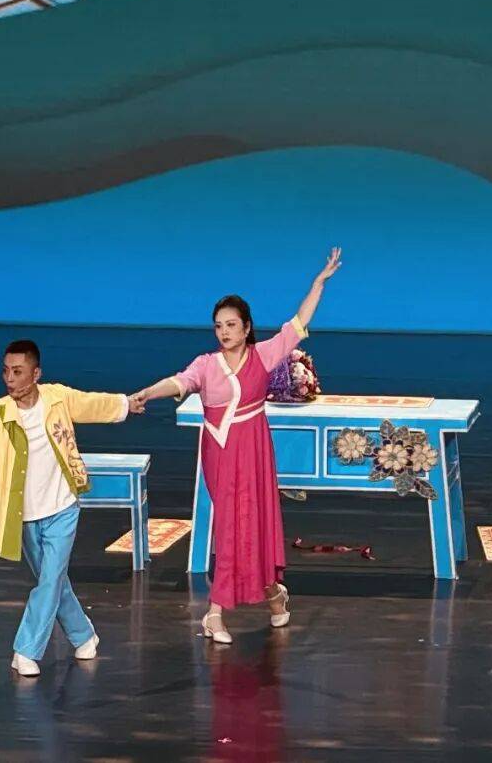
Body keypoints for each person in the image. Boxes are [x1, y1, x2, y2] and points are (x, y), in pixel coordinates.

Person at [130, 248, 342, 643]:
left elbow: (298, 323)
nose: (224, 332)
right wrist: (147, 393)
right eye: (218, 326)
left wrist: (319, 283)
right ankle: (215, 614)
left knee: (256, 524)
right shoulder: (205, 365)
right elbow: (179, 382)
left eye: (231, 325)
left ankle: (274, 597)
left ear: (246, 328)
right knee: (230, 527)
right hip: (222, 453)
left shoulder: (264, 355)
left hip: (255, 449)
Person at [0, 339, 144, 676]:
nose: (9, 379)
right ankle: (84, 635)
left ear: (36, 373)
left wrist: (125, 404)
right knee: (52, 581)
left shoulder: (57, 399)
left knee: (50, 580)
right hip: (25, 517)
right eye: (5, 371)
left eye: (17, 372)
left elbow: (91, 403)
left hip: (63, 508)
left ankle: (26, 651)